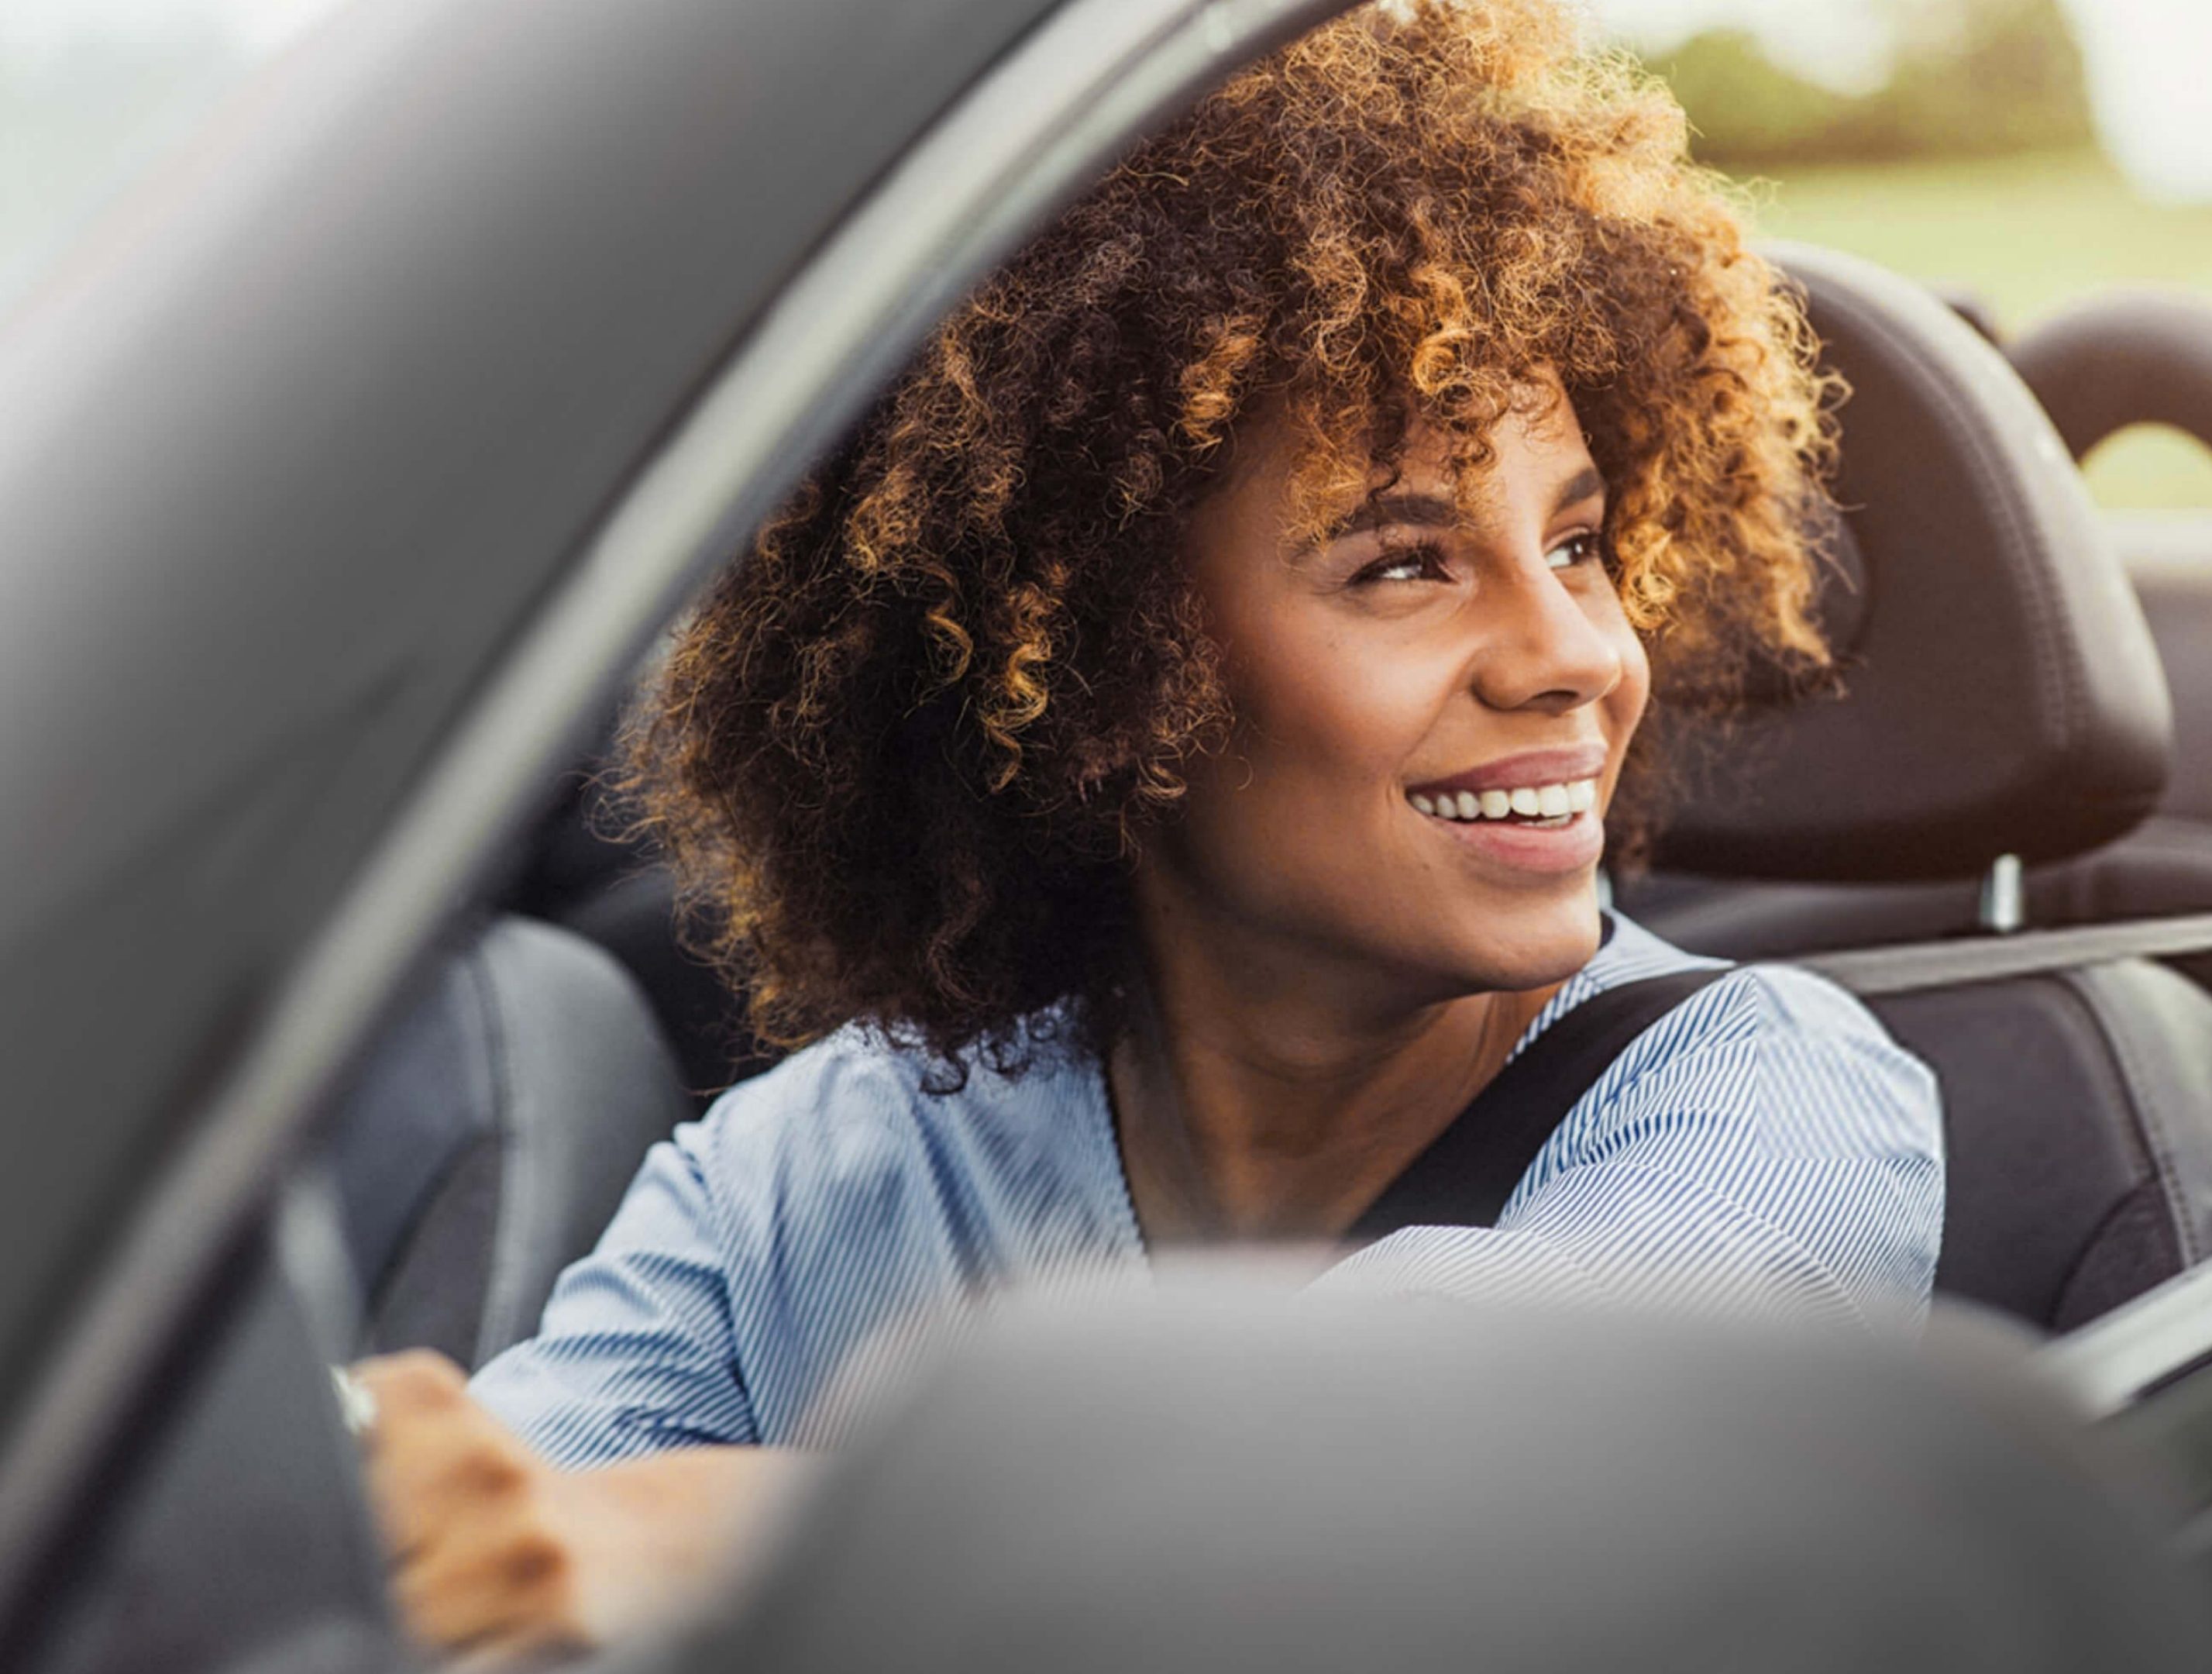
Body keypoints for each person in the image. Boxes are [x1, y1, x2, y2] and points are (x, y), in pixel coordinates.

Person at [349, 0, 1944, 1655]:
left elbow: (1448, 1478)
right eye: (1404, 562)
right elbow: (486, 1553)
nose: (1577, 656)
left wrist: (706, 1534)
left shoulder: (1774, 1102)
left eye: (1584, 544)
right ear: (1117, 672)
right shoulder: (809, 1175)